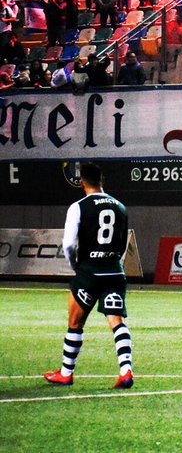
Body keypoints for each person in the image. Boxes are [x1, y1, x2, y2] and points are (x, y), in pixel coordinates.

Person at [42, 163, 134, 389]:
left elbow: (68, 244)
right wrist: (114, 262)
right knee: (117, 322)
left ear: (82, 182)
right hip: (114, 271)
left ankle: (65, 373)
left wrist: (76, 267)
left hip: (89, 272)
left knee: (75, 322)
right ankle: (126, 370)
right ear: (102, 181)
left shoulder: (78, 206)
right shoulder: (120, 207)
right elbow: (123, 244)